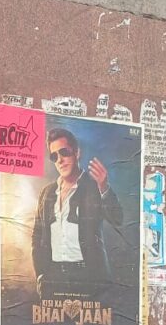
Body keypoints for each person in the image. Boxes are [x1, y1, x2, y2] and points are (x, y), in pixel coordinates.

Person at [32, 127, 123, 297]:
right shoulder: (47, 193)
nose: (59, 160)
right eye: (54, 156)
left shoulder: (94, 185)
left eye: (64, 152)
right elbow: (37, 238)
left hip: (88, 278)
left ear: (77, 153)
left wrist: (104, 188)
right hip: (53, 279)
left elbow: (118, 219)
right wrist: (40, 275)